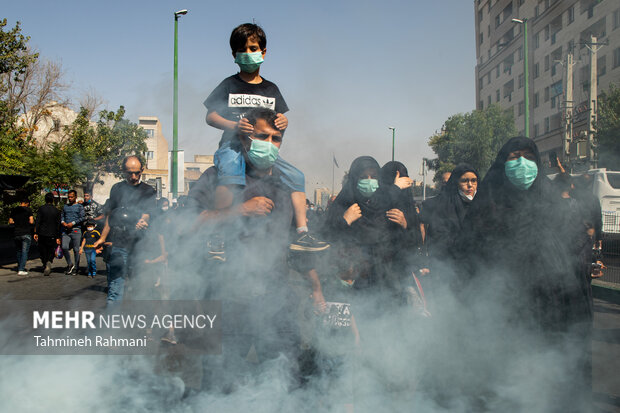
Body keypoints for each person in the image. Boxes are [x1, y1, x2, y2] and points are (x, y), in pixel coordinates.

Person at [453, 137, 593, 410]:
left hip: (551, 313)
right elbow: (466, 261)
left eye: (528, 156)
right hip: (501, 316)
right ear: (502, 163)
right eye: (514, 156)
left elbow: (575, 255)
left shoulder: (555, 204)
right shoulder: (485, 208)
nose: (522, 164)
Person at [190, 107, 307, 391]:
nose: (269, 144)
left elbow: (299, 243)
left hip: (277, 302)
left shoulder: (287, 183)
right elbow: (186, 226)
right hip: (228, 303)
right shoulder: (219, 176)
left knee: (285, 382)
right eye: (262, 136)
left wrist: (317, 291)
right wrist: (238, 210)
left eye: (276, 138)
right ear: (245, 138)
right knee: (219, 386)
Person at [204, 23, 325, 251]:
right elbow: (210, 117)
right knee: (230, 171)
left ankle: (302, 233)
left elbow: (280, 122)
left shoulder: (271, 89)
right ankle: (217, 236)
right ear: (234, 55)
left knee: (297, 177)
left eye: (253, 48)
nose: (248, 54)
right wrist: (233, 126)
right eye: (243, 50)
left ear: (263, 52)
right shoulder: (228, 85)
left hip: (260, 150)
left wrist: (284, 122)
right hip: (233, 146)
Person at [93, 156, 156, 303]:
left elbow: (148, 213)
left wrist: (143, 220)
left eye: (136, 173)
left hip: (140, 246)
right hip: (119, 245)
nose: (133, 177)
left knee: (141, 288)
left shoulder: (149, 190)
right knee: (115, 288)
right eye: (129, 173)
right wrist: (102, 238)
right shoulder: (117, 189)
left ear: (142, 171)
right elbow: (110, 215)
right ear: (123, 171)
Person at [34, 192, 61, 276]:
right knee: (50, 249)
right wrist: (58, 236)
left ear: (45, 199)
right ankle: (49, 261)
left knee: (42, 249)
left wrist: (36, 232)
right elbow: (58, 224)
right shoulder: (56, 211)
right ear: (53, 200)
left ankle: (45, 262)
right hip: (52, 234)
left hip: (42, 233)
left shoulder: (41, 209)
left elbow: (38, 221)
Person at [61, 189, 85, 275]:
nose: (70, 198)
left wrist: (73, 223)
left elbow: (82, 218)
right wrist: (63, 222)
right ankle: (70, 264)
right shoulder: (65, 207)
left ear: (75, 197)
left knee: (76, 249)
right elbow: (62, 216)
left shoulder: (79, 207)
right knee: (64, 247)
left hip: (76, 230)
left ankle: (76, 267)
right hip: (66, 230)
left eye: (71, 197)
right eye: (69, 197)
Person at [9, 193, 34, 276]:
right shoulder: (28, 210)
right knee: (24, 252)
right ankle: (21, 269)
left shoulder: (14, 210)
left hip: (16, 233)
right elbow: (31, 221)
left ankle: (20, 266)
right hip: (26, 232)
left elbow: (10, 221)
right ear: (26, 203)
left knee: (18, 251)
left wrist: (17, 221)